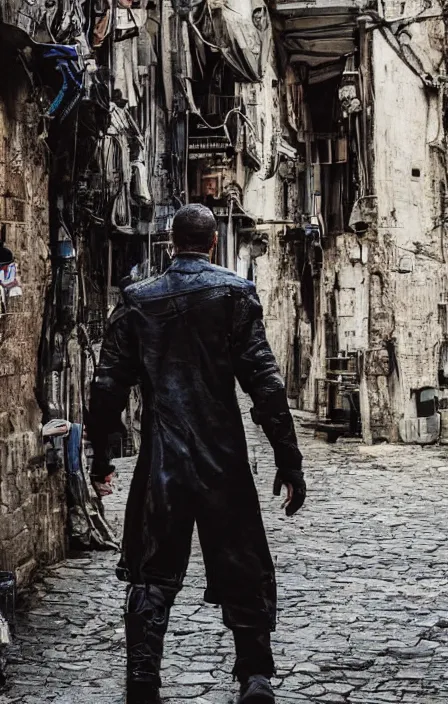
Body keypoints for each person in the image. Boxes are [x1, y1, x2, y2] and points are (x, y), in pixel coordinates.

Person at [88, 203, 306, 704]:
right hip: (222, 456)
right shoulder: (233, 292)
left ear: (170, 244)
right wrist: (288, 460)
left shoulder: (138, 300)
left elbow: (107, 387)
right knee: (242, 563)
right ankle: (254, 675)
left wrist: (100, 458)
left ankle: (143, 676)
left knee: (151, 571)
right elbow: (265, 384)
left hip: (163, 455)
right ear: (212, 244)